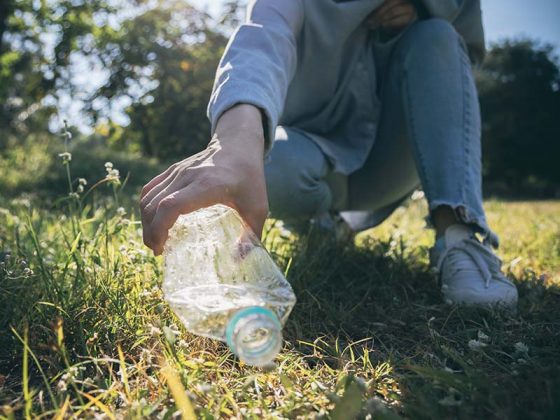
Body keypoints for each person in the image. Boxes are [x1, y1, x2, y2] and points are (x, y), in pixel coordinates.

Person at [139, 0, 518, 309]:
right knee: (265, 165)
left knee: (437, 35)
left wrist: (423, 11)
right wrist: (233, 145)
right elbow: (262, 37)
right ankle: (324, 222)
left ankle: (459, 235)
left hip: (394, 157)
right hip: (313, 152)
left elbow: (462, 59)